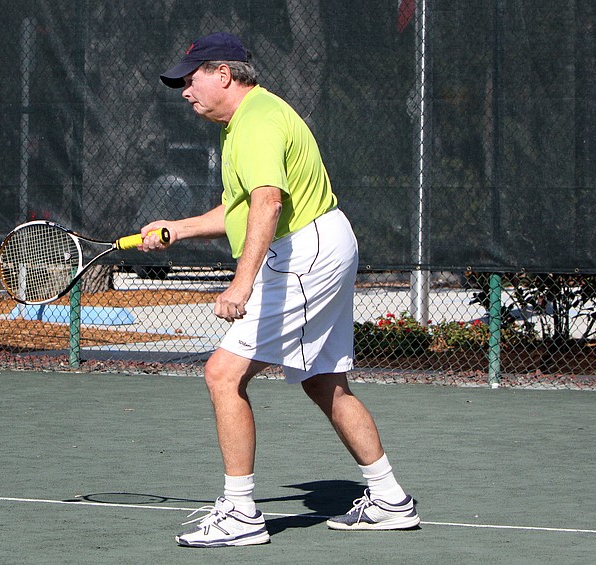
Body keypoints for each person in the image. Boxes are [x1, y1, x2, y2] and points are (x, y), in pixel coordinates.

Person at [140, 32, 419, 548]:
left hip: (302, 250)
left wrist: (241, 285)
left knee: (223, 373)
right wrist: (179, 228)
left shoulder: (258, 122)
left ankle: (241, 513)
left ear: (223, 74)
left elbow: (268, 202)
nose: (184, 90)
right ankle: (389, 498)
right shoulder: (245, 123)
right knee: (322, 379)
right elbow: (242, 208)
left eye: (191, 77)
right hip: (322, 240)